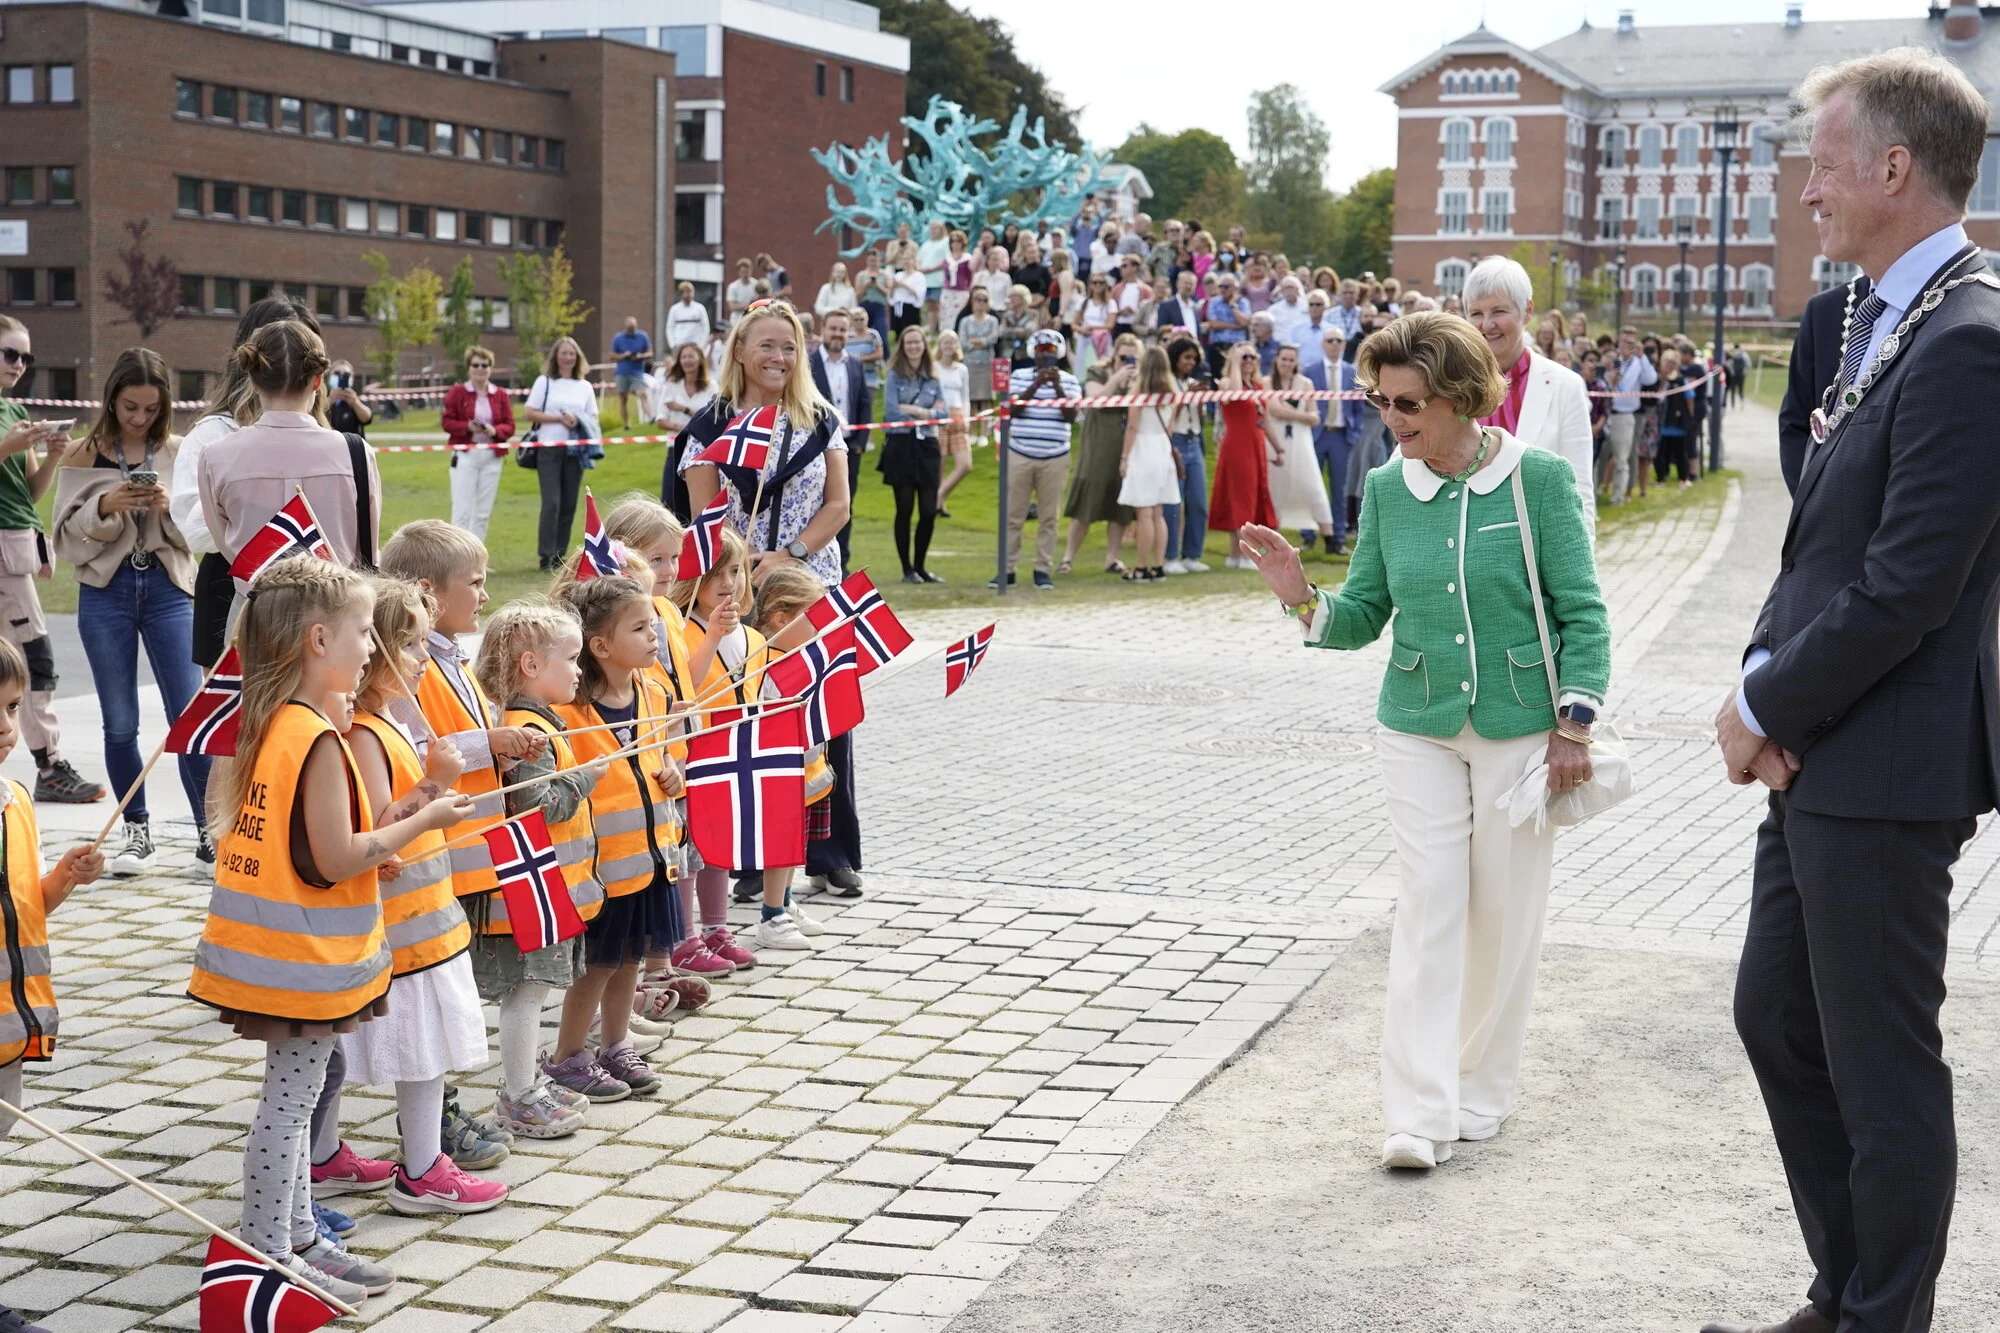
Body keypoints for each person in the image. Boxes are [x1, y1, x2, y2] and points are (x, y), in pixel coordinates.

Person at [1705, 49, 2000, 1333]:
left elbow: (1906, 586)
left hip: (1886, 765)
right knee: (1774, 1016)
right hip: (1822, 747)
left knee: (1881, 1070)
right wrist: (1766, 687)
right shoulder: (1874, 318)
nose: (1803, 188)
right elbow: (1816, 539)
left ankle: (1881, 1320)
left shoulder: (1967, 341)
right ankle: (1845, 1294)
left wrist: (1765, 708)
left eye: (1820, 164)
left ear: (1891, 167)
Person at [1242, 310, 1609, 1172]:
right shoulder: (1385, 488)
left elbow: (1583, 612)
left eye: (1409, 403)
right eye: (1383, 402)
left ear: (1460, 397)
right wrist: (1301, 596)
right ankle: (1415, 1111)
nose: (1393, 418)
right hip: (1416, 725)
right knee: (1432, 903)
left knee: (1504, 913)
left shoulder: (1538, 481)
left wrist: (1573, 723)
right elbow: (1363, 614)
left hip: (1524, 726)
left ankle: (1482, 1087)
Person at [188, 559, 473, 1305]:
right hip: (300, 958)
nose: (372, 648)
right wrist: (428, 817)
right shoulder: (311, 736)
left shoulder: (290, 722)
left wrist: (412, 802)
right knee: (288, 1107)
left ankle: (301, 1234)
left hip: (300, 954)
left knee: (296, 1095)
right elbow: (346, 851)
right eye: (358, 632)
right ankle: (271, 1249)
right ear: (318, 639)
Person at [342, 577, 507, 1216]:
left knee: (427, 1045)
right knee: (421, 1047)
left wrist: (439, 793)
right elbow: (384, 826)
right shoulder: (363, 733)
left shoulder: (389, 722)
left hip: (427, 919)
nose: (420, 658)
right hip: (406, 931)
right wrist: (434, 787)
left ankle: (402, 1159)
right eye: (408, 644)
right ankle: (422, 1170)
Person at [52, 348, 205, 874]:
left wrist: (171, 509)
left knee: (189, 717)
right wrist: (103, 508)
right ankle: (136, 833)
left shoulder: (180, 452)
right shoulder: (81, 453)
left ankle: (208, 835)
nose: (139, 418)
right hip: (105, 592)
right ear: (110, 400)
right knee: (119, 724)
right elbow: (66, 544)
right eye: (128, 407)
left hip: (168, 590)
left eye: (149, 408)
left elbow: (202, 537)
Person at [0, 634, 105, 1330]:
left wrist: (59, 879)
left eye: (11, 707)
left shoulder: (14, 798)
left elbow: (23, 906)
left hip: (8, 1022)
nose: (5, 726)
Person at [546, 574, 685, 1100]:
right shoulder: (570, 711)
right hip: (602, 868)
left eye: (653, 624)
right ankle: (567, 1055)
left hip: (650, 859)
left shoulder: (654, 692)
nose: (655, 635)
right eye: (641, 627)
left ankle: (616, 1044)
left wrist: (675, 774)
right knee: (598, 965)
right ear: (600, 646)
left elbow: (663, 757)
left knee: (631, 958)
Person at [470, 601, 599, 1138]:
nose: (579, 670)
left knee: (534, 990)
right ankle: (519, 1094)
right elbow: (535, 807)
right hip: (528, 888)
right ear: (529, 665)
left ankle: (528, 1085)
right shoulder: (526, 727)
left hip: (545, 885)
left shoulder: (538, 718)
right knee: (527, 992)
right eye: (571, 659)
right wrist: (584, 780)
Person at [199, 320, 382, 609]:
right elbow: (366, 550)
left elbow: (226, 545)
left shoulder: (216, 457)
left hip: (257, 615)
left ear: (253, 380)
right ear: (318, 380)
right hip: (337, 614)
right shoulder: (355, 453)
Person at [676, 300, 852, 590]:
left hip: (813, 583)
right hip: (738, 586)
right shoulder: (710, 426)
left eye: (789, 348)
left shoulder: (821, 422)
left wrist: (789, 556)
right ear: (739, 352)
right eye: (766, 346)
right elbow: (706, 516)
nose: (779, 358)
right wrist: (748, 564)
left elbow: (839, 506)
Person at [0, 315, 100, 807]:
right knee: (35, 659)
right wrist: (9, 446)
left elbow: (29, 492)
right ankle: (49, 763)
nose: (19, 365)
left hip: (17, 546)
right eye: (10, 354)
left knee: (23, 660)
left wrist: (53, 454)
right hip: (3, 553)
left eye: (26, 357)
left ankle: (46, 763)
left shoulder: (13, 409)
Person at [1462, 257, 1597, 545]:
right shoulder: (1446, 385)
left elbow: (1579, 490)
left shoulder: (1565, 387)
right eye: (1475, 313)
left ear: (1528, 311)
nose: (1487, 324)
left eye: (1499, 311)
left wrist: (1579, 576)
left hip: (1535, 556)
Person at [997, 330, 1079, 590]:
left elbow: (1071, 416)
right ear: (1034, 352)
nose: (1046, 356)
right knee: (1013, 515)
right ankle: (1006, 569)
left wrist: (1055, 386)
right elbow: (1013, 410)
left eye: (1051, 351)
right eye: (1042, 350)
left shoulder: (1070, 381)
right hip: (1020, 452)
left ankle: (1042, 569)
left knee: (1049, 517)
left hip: (1055, 456)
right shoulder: (1019, 377)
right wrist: (1035, 386)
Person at [521, 336, 601, 572]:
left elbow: (593, 416)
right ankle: (545, 554)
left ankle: (559, 554)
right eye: (564, 353)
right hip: (549, 448)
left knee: (568, 504)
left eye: (572, 354)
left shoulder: (584, 386)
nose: (568, 358)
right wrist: (557, 418)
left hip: (575, 451)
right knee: (552, 503)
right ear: (556, 356)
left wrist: (577, 419)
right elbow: (530, 412)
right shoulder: (544, 382)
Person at [1063, 332, 1141, 576]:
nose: (1128, 361)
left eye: (1133, 358)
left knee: (1119, 506)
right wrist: (1117, 378)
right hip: (1098, 444)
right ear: (1114, 353)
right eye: (1123, 356)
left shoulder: (1139, 378)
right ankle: (1067, 558)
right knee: (1087, 502)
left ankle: (1112, 558)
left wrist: (1134, 382)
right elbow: (1095, 399)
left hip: (1124, 446)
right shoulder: (1097, 371)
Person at [879, 324, 944, 584]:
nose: (914, 347)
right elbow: (891, 412)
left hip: (927, 446)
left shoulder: (933, 377)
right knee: (904, 508)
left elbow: (944, 414)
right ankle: (907, 568)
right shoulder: (895, 375)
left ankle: (921, 565)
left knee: (929, 510)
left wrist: (918, 412)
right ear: (903, 347)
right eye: (909, 343)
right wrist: (927, 411)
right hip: (901, 446)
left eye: (918, 342)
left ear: (924, 345)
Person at [1116, 346, 1180, 582]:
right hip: (1162, 448)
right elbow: (1171, 427)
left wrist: (1124, 457)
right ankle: (1159, 565)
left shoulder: (1139, 393)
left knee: (1144, 512)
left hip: (1143, 448)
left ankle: (1142, 567)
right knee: (1158, 513)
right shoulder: (1170, 394)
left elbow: (1132, 428)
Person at [1264, 344, 1336, 552]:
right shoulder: (1267, 382)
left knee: (1313, 486)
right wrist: (1300, 415)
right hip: (1276, 441)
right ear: (1276, 360)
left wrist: (1292, 412)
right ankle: (1270, 540)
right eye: (1283, 359)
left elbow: (1315, 417)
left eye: (1291, 360)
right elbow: (1274, 410)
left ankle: (1330, 539)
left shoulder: (1305, 383)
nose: (1287, 364)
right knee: (1275, 488)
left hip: (1301, 443)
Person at [1209, 342, 1275, 568]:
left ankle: (1234, 555)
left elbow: (1265, 420)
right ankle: (1244, 553)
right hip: (1237, 445)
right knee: (1241, 498)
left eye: (1251, 357)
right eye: (1243, 357)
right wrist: (1235, 363)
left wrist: (1277, 448)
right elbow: (1234, 396)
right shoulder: (1228, 382)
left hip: (1256, 444)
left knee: (1254, 497)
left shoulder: (1258, 385)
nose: (1248, 361)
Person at [441, 346, 515, 541]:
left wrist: (495, 431)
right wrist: (467, 427)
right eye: (476, 365)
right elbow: (447, 422)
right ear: (469, 368)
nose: (480, 369)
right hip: (466, 455)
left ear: (490, 368)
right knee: (462, 511)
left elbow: (510, 425)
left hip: (492, 456)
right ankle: (457, 560)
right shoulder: (458, 392)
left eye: (485, 365)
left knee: (482, 513)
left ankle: (477, 559)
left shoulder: (500, 394)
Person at [1305, 327, 1362, 556]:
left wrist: (1354, 434)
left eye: (1339, 340)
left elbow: (1358, 406)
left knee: (1339, 489)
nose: (1335, 344)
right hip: (1317, 435)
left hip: (1341, 435)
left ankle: (1338, 538)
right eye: (1330, 340)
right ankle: (1308, 535)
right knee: (1312, 486)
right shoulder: (1311, 371)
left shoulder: (1351, 372)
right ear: (1322, 344)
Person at [1159, 337, 1211, 576]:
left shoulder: (1192, 383)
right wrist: (1185, 398)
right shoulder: (1167, 384)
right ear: (1176, 358)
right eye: (1186, 357)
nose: (1191, 362)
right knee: (1173, 502)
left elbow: (1200, 420)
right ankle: (1170, 555)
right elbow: (1168, 417)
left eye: (1194, 358)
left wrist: (1199, 401)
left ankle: (1192, 554)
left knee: (1198, 502)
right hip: (1175, 442)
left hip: (1194, 441)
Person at [1602, 327, 1656, 504]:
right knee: (1601, 456)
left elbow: (1650, 379)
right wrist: (1611, 379)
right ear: (1618, 341)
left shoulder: (1639, 362)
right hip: (1605, 413)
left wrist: (1642, 356)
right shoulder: (1613, 360)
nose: (1627, 346)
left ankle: (1619, 496)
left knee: (1622, 457)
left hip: (1624, 415)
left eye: (1631, 343)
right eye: (1624, 341)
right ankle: (1598, 489)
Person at [935, 329, 972, 516]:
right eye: (946, 342)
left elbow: (965, 395)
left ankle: (939, 496)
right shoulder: (934, 367)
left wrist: (966, 417)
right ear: (940, 345)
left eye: (953, 342)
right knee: (940, 465)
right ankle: (940, 504)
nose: (949, 346)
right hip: (940, 415)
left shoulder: (961, 369)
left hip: (958, 414)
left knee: (965, 465)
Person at [959, 286, 1000, 446]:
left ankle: (984, 433)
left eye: (984, 300)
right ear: (972, 302)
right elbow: (963, 342)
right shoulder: (965, 321)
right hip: (969, 363)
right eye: (978, 299)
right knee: (971, 400)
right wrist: (982, 341)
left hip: (986, 363)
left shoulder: (993, 320)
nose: (981, 303)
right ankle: (971, 432)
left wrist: (976, 341)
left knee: (986, 400)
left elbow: (993, 339)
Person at [655, 341, 717, 440]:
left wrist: (683, 409)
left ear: (700, 360)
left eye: (691, 356)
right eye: (684, 357)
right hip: (676, 446)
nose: (687, 360)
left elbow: (713, 419)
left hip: (703, 446)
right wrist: (683, 429)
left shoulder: (711, 387)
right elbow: (660, 420)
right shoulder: (671, 386)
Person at [1654, 349, 1696, 487]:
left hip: (1677, 423)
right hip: (1661, 424)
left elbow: (1689, 399)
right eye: (1667, 362)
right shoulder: (1658, 379)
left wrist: (1689, 417)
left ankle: (1682, 478)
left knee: (1680, 453)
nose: (1669, 365)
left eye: (1672, 362)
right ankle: (1661, 478)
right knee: (1661, 454)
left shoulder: (1680, 380)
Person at [1203, 273, 1251, 379]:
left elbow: (1245, 322)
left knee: (1237, 377)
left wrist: (1233, 306)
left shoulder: (1243, 303)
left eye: (1226, 287)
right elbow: (1214, 324)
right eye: (1221, 286)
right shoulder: (1214, 302)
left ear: (1235, 288)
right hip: (1217, 347)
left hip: (1237, 347)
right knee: (1217, 378)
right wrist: (1237, 326)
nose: (1223, 289)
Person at [611, 317, 653, 426]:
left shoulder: (642, 336)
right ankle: (626, 424)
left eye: (633, 328)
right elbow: (612, 355)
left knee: (642, 394)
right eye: (629, 328)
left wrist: (641, 356)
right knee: (623, 399)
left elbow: (650, 353)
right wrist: (623, 355)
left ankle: (652, 416)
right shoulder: (618, 338)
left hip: (637, 372)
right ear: (625, 327)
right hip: (622, 372)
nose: (631, 330)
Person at [998, 284, 1044, 371]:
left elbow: (1030, 331)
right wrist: (1018, 331)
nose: (1011, 298)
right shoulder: (1007, 315)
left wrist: (1009, 331)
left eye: (1014, 295)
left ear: (1023, 297)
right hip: (1008, 354)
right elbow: (1001, 332)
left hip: (1025, 355)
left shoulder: (1033, 314)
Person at [325, 360, 373, 439]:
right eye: (337, 373)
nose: (341, 377)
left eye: (346, 374)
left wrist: (355, 403)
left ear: (352, 378)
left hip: (353, 445)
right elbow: (313, 415)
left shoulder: (355, 397)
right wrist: (329, 401)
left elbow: (367, 419)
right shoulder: (322, 396)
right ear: (329, 377)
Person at [917, 219, 950, 328]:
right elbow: (918, 259)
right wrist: (919, 268)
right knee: (929, 306)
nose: (934, 231)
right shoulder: (926, 244)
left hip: (938, 280)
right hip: (925, 281)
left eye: (936, 228)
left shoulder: (946, 242)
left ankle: (941, 328)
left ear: (942, 229)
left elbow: (947, 260)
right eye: (932, 228)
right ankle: (932, 329)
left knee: (938, 305)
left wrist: (931, 269)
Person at [890, 241, 926, 335]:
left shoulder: (919, 276)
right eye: (904, 259)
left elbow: (919, 294)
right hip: (898, 307)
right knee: (899, 334)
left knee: (912, 332)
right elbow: (891, 295)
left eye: (908, 259)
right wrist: (893, 287)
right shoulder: (898, 275)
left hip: (911, 308)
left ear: (913, 260)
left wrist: (903, 285)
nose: (906, 262)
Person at [667, 281, 710, 353]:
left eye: (691, 292)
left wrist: (701, 345)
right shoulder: (674, 309)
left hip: (696, 345)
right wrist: (673, 344)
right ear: (681, 294)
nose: (689, 295)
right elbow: (670, 327)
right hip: (680, 345)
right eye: (686, 292)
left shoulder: (700, 308)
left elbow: (705, 327)